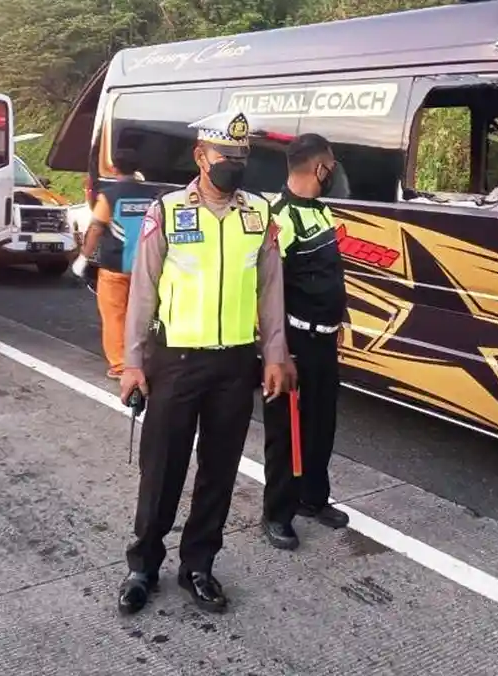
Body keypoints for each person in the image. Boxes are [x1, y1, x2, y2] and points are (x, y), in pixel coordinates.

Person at [117, 109, 295, 616]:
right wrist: (133, 363)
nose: (235, 166)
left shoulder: (258, 215)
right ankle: (143, 566)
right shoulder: (169, 211)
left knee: (219, 470)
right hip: (176, 361)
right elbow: (142, 292)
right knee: (163, 469)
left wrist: (275, 355)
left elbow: (270, 293)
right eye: (226, 157)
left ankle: (199, 564)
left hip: (235, 365)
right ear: (201, 157)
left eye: (242, 158)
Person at [260, 134, 350, 550]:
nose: (334, 172)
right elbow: (269, 290)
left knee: (321, 425)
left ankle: (314, 498)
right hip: (295, 343)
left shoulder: (323, 212)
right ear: (319, 169)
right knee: (285, 432)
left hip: (326, 341)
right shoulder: (281, 218)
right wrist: (279, 352)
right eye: (331, 165)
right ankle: (278, 511)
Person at [80, 147, 158, 378]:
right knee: (143, 313)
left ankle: (121, 365)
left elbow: (96, 227)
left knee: (114, 315)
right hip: (146, 266)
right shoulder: (153, 196)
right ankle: (143, 359)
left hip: (115, 266)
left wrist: (84, 255)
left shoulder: (109, 195)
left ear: (114, 168)